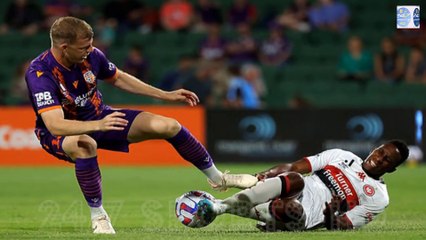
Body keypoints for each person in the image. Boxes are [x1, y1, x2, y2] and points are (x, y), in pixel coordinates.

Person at [24, 16, 257, 234]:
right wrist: (98, 124)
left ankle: (219, 178)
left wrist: (166, 95)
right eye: (83, 47)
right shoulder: (40, 73)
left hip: (101, 117)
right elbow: (55, 124)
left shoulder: (92, 55)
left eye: (90, 45)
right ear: (64, 47)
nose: (90, 51)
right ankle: (99, 215)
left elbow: (119, 78)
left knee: (169, 125)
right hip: (62, 132)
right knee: (85, 144)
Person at [204, 140, 409, 231]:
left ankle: (221, 206)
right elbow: (295, 166)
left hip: (306, 215)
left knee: (285, 207)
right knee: (295, 177)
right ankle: (220, 206)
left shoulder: (379, 198)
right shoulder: (342, 156)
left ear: (391, 169)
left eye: (387, 161)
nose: (380, 159)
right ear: (375, 148)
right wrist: (264, 174)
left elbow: (341, 226)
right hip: (295, 189)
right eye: (381, 152)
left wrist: (331, 214)